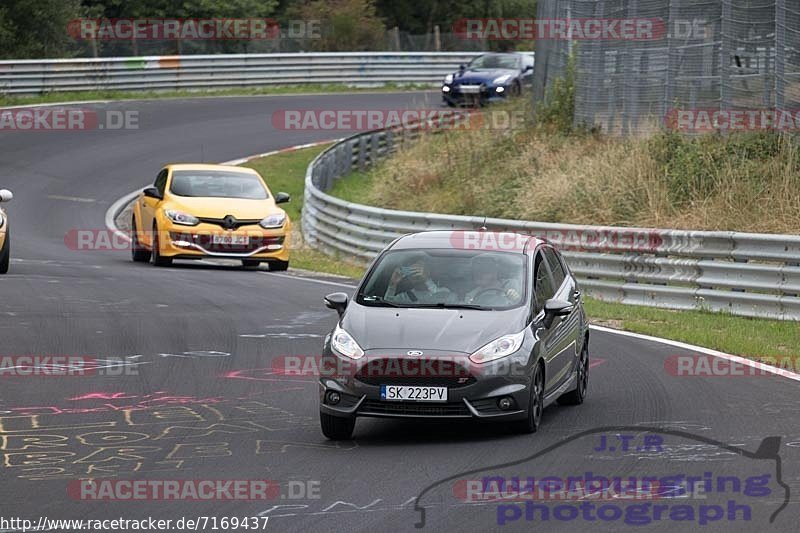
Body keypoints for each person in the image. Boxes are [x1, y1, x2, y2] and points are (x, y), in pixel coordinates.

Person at [384, 254, 453, 304]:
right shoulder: (404, 296)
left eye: (418, 269)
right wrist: (392, 285)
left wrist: (427, 280)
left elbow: (442, 299)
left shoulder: (445, 292)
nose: (416, 273)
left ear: (428, 271)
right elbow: (387, 307)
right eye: (411, 270)